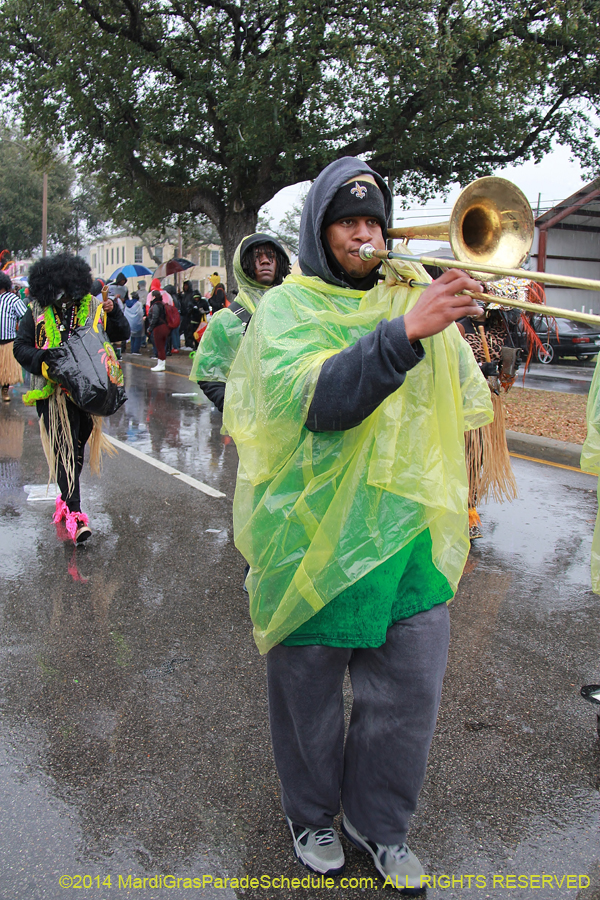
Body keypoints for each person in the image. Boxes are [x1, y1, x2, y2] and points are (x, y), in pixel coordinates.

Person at [223, 157, 493, 888]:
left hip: (405, 543)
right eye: (347, 221)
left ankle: (381, 826)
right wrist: (404, 332)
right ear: (320, 229)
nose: (364, 234)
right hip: (309, 539)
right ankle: (311, 815)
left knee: (407, 701)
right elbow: (320, 402)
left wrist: (455, 313)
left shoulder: (409, 293)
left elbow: (462, 405)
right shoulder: (287, 308)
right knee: (307, 701)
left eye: (374, 220)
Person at [13, 253, 130, 543]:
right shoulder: (36, 312)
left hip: (88, 392)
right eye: (57, 290)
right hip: (52, 395)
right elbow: (20, 347)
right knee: (64, 449)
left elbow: (121, 333)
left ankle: (66, 498)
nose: (62, 296)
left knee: (76, 451)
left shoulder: (92, 306)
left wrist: (114, 311)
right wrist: (45, 360)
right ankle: (75, 516)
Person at [190, 233, 290, 411]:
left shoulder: (293, 310)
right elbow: (209, 373)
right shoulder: (227, 320)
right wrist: (234, 409)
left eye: (271, 256)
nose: (265, 261)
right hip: (249, 420)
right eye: (257, 256)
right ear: (243, 264)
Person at [0, 272, 27, 401]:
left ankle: (5, 390)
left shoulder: (13, 299)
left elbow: (25, 316)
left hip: (8, 341)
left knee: (6, 370)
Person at [147, 289, 169, 372]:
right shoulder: (162, 304)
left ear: (153, 296)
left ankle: (161, 364)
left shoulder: (155, 305)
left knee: (159, 346)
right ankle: (161, 363)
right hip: (164, 326)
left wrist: (150, 328)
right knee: (162, 346)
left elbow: (155, 317)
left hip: (158, 327)